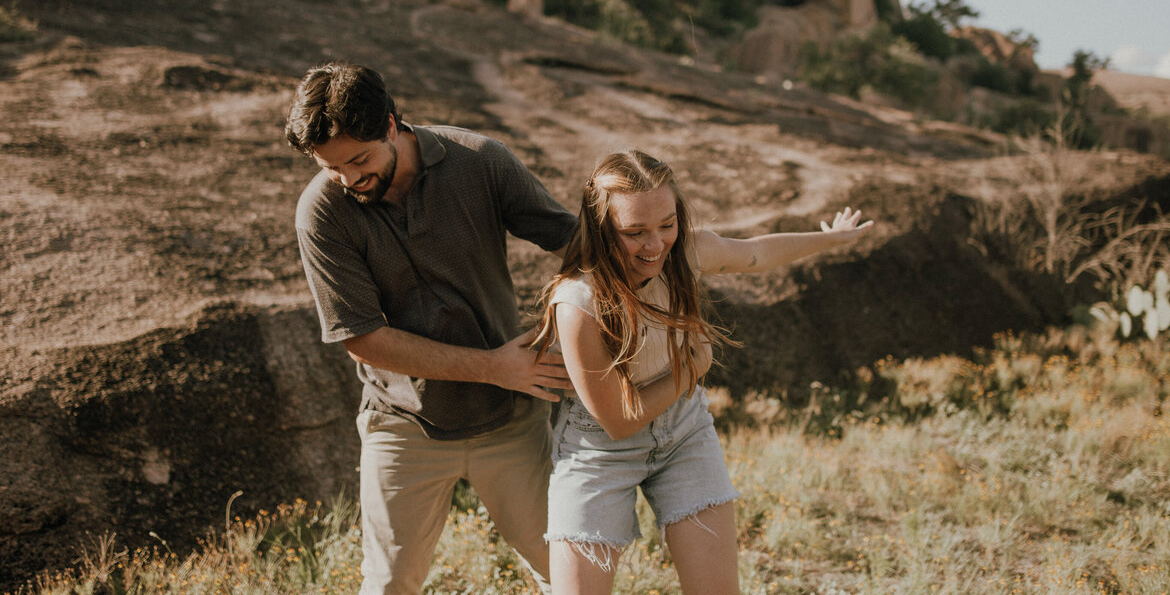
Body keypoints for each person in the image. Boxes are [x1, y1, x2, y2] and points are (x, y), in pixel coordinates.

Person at [285, 60, 578, 595]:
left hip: (509, 420)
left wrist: (657, 255)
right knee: (389, 585)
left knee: (567, 573)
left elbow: (574, 244)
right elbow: (363, 339)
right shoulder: (321, 212)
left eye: (359, 159)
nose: (349, 179)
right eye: (331, 168)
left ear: (392, 123)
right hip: (402, 426)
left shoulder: (481, 161)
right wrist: (495, 368)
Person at [533, 150, 874, 595]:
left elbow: (756, 253)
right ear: (601, 230)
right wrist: (691, 367)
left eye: (666, 225)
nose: (655, 245)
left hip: (684, 433)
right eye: (634, 232)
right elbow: (618, 420)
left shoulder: (687, 254)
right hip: (598, 452)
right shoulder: (578, 301)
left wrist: (830, 240)